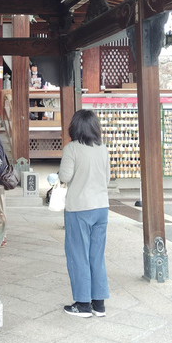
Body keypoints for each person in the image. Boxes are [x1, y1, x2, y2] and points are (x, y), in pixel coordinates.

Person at [57, 109, 110, 318]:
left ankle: (82, 304)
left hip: (79, 208)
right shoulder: (102, 148)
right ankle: (99, 303)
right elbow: (106, 180)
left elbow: (65, 176)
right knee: (97, 255)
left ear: (75, 127)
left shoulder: (72, 149)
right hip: (101, 208)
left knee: (78, 255)